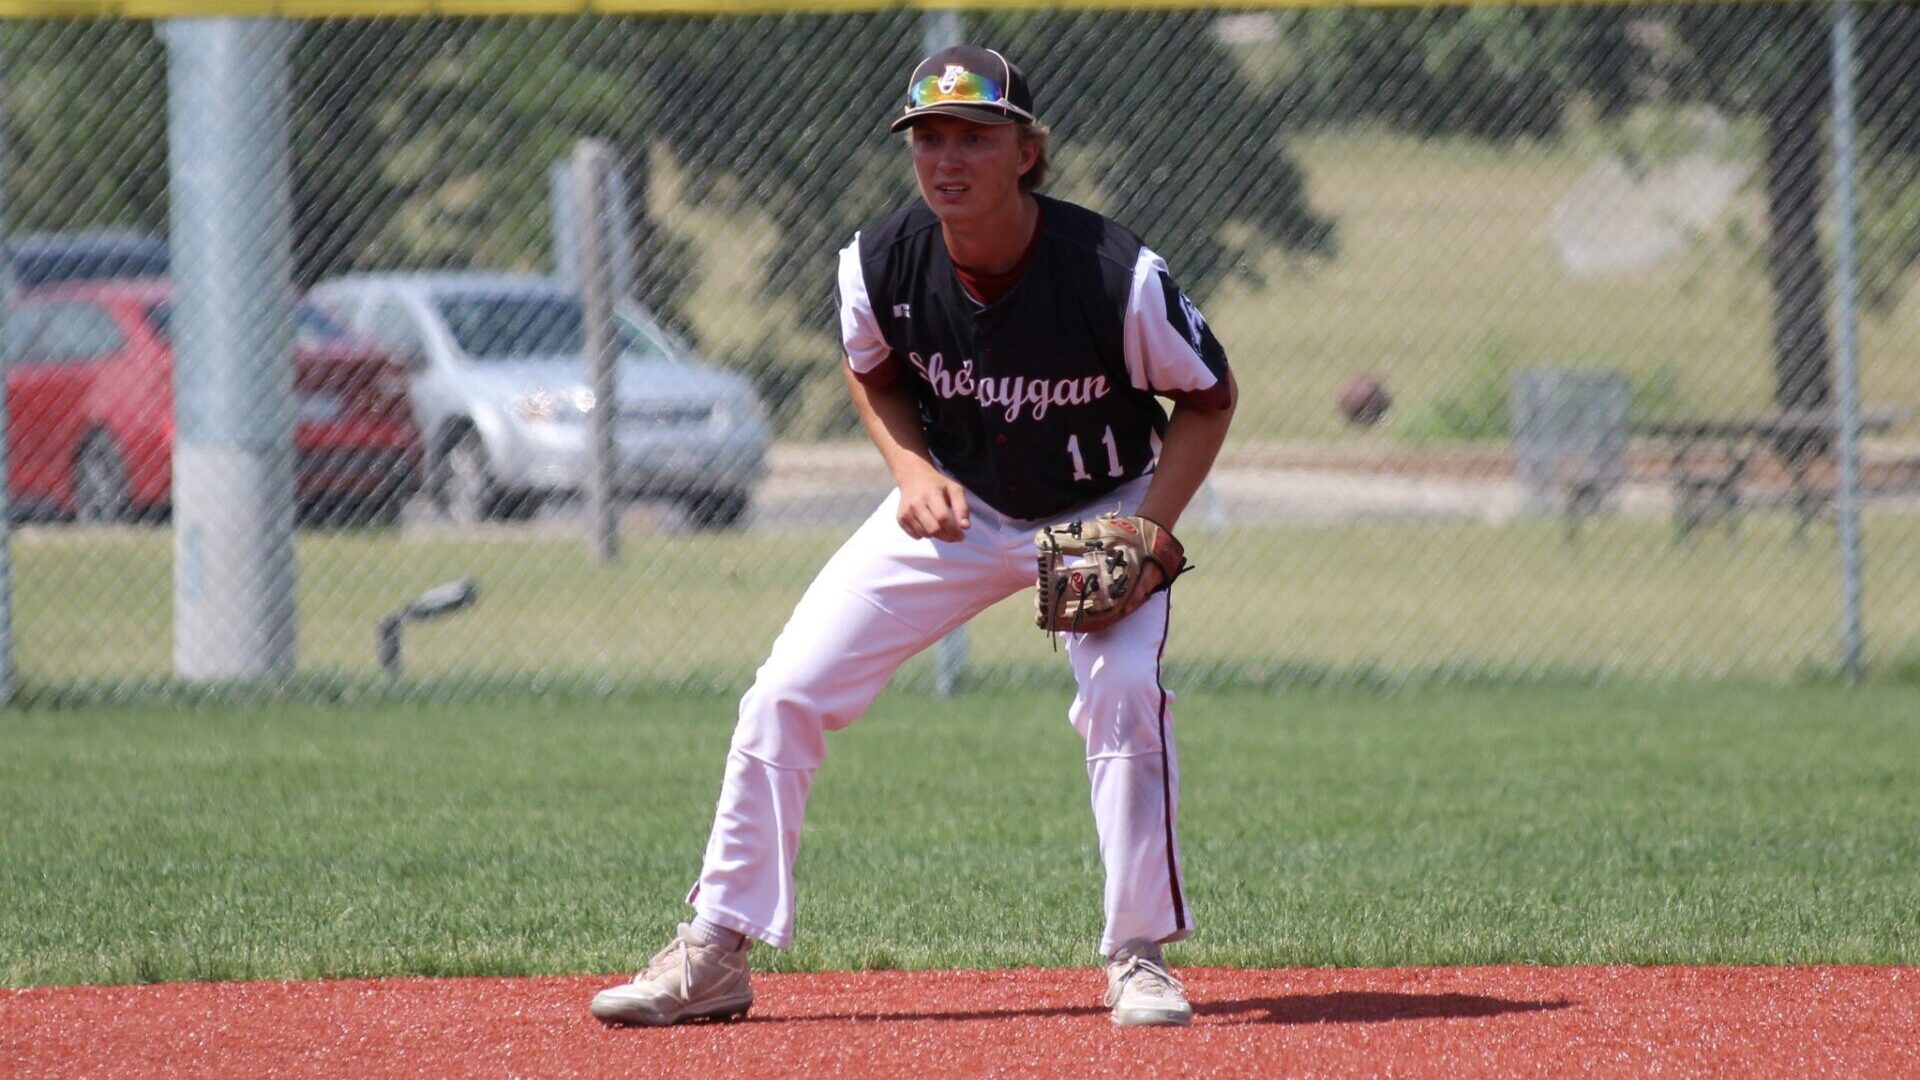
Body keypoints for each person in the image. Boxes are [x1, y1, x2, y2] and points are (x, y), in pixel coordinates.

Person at [591, 44, 1237, 1029]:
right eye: (929, 137)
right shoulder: (880, 261)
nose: (948, 157)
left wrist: (1145, 533)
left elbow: (1207, 395)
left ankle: (1137, 955)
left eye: (975, 135)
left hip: (1096, 506)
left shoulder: (1113, 274)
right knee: (786, 692)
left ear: (1027, 151)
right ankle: (717, 948)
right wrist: (909, 467)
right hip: (963, 505)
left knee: (1119, 691)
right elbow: (872, 367)